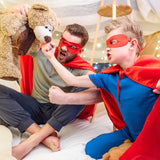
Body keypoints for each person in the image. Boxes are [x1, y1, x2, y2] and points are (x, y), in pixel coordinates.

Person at [42, 16, 160, 159]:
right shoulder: (109, 77)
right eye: (107, 44)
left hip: (155, 134)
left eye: (114, 42)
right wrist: (51, 57)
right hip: (131, 132)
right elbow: (72, 80)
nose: (108, 47)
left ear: (132, 44)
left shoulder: (152, 67)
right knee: (91, 149)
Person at [0, 4, 95, 160]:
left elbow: (95, 86)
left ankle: (31, 142)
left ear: (80, 51)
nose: (64, 48)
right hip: (35, 107)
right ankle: (42, 135)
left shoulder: (82, 69)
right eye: (63, 41)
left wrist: (52, 59)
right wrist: (13, 11)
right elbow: (13, 37)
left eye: (72, 46)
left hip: (58, 112)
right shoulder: (42, 50)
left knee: (86, 89)